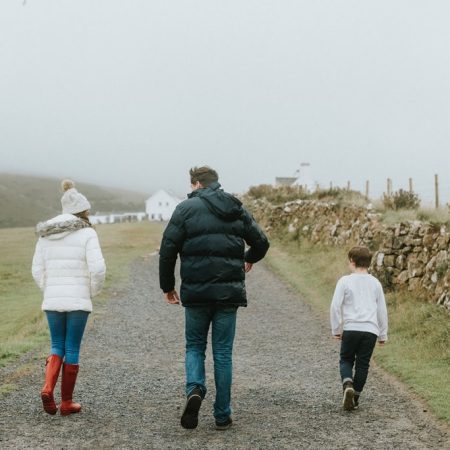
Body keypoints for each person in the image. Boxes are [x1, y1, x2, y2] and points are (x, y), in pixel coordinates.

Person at [159, 166, 269, 430]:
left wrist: (168, 287)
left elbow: (167, 249)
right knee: (223, 353)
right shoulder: (235, 207)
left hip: (196, 294)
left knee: (195, 346)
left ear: (197, 184)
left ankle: (195, 389)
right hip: (228, 294)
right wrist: (248, 259)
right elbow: (262, 242)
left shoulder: (185, 209)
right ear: (216, 183)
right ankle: (222, 414)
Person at [32, 180, 106, 416]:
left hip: (53, 298)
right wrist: (91, 291)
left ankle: (47, 388)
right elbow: (98, 269)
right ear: (82, 210)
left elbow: (36, 269)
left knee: (56, 345)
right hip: (78, 300)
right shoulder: (87, 232)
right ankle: (66, 403)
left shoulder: (45, 234)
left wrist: (50, 289)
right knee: (71, 347)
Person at [330, 246, 388, 411]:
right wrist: (383, 334)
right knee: (363, 364)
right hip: (370, 330)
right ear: (368, 263)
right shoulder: (376, 283)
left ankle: (347, 383)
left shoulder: (345, 281)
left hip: (351, 327)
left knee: (346, 359)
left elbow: (335, 306)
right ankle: (355, 397)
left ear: (352, 262)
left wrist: (336, 329)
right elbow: (381, 310)